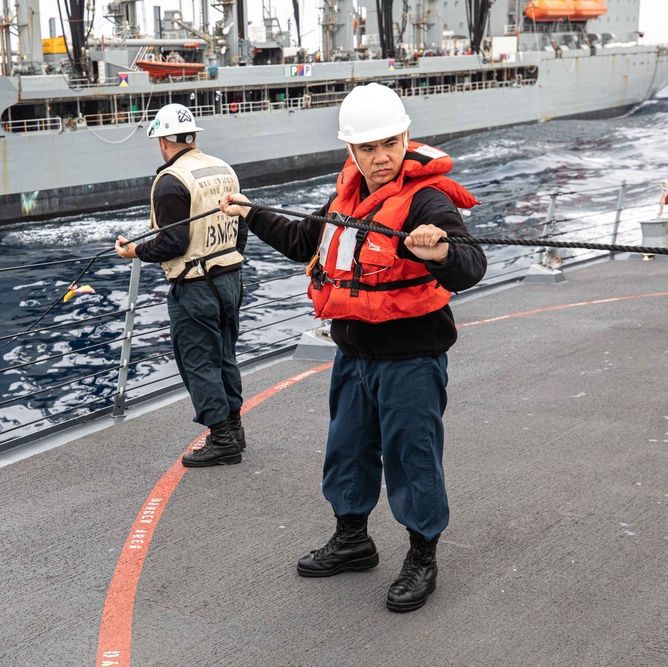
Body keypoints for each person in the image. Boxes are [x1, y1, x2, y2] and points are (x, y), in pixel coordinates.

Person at [219, 82, 487, 612]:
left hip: (412, 358)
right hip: (354, 354)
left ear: (406, 136)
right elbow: (304, 241)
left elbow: (471, 265)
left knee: (413, 458)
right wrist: (249, 212)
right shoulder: (346, 196)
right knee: (347, 451)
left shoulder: (427, 201)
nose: (381, 157)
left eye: (390, 143)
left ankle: (422, 556)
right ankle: (353, 539)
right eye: (368, 148)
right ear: (351, 151)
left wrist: (438, 253)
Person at [114, 103, 248, 468]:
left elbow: (173, 242)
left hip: (195, 286)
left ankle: (221, 441)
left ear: (162, 141)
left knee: (199, 362)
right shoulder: (223, 169)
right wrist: (230, 262)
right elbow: (242, 226)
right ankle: (235, 430)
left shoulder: (171, 181)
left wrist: (133, 251)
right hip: (231, 278)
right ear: (192, 136)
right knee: (225, 355)